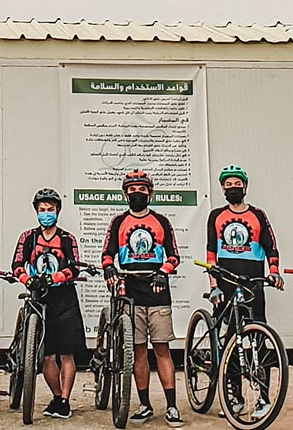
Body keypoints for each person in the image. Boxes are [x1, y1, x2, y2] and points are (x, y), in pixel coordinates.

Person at [100, 169, 182, 426]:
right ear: (125, 194)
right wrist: (110, 268)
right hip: (130, 293)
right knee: (138, 352)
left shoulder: (161, 221)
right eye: (132, 190)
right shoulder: (118, 222)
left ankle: (171, 406)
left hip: (157, 292)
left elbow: (174, 256)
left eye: (142, 190)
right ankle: (145, 404)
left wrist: (163, 272)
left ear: (150, 193)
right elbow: (107, 253)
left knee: (161, 349)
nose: (137, 194)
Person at [12, 188, 87, 421]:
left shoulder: (67, 239)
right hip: (38, 299)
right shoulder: (27, 237)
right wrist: (28, 279)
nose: (46, 214)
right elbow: (16, 265)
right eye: (42, 210)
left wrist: (54, 278)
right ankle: (56, 396)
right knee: (46, 356)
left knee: (66, 354)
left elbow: (74, 268)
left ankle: (65, 400)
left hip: (64, 299)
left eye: (50, 210)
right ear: (36, 211)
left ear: (57, 211)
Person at [205, 165, 282, 323]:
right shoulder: (216, 215)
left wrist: (274, 272)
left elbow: (271, 247)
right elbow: (211, 254)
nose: (233, 188)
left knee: (258, 325)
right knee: (227, 329)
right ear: (223, 189)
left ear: (245, 187)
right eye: (229, 185)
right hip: (225, 280)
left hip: (253, 281)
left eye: (238, 184)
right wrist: (214, 286)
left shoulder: (258, 214)